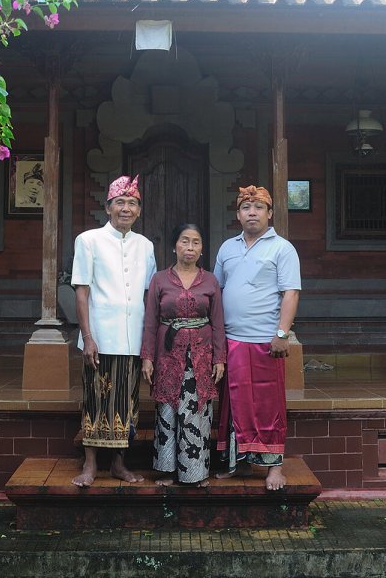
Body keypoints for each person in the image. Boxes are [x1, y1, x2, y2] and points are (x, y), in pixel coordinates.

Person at [70, 175, 156, 487]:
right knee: (96, 399)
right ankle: (90, 465)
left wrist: (149, 346)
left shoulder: (145, 246)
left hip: (133, 339)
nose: (126, 208)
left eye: (132, 203)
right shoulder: (88, 240)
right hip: (100, 338)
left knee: (128, 403)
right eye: (120, 202)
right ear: (108, 207)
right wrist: (88, 337)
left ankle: (120, 465)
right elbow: (82, 292)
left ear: (139, 211)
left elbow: (149, 296)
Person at [214, 185, 301, 491]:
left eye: (258, 207)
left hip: (266, 340)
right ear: (238, 214)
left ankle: (274, 467)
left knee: (268, 404)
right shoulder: (227, 248)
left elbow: (290, 292)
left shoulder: (282, 248)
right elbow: (217, 292)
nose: (252, 213)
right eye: (246, 208)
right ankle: (238, 463)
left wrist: (281, 333)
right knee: (235, 405)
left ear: (269, 213)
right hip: (233, 340)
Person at [140, 224, 226, 487]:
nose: (190, 247)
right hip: (168, 356)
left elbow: (218, 322)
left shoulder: (210, 280)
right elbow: (151, 322)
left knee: (197, 411)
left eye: (196, 242)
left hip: (201, 356)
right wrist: (147, 357)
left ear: (201, 249)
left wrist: (220, 358)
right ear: (174, 246)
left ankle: (195, 472)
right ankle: (167, 470)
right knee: (167, 409)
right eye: (185, 241)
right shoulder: (160, 279)